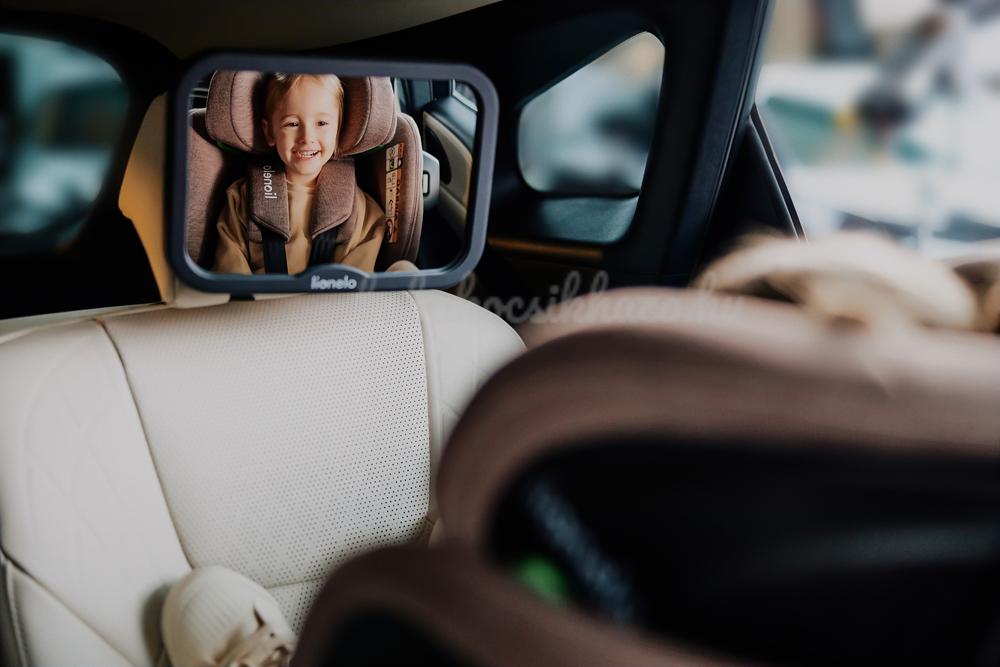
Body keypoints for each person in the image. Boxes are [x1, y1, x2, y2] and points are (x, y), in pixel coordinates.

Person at [212, 73, 389, 275]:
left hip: (331, 295)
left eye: (321, 123)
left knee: (404, 269)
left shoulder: (359, 210)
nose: (307, 137)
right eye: (292, 124)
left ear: (338, 130)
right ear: (269, 132)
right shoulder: (243, 198)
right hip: (258, 295)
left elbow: (354, 286)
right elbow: (231, 275)